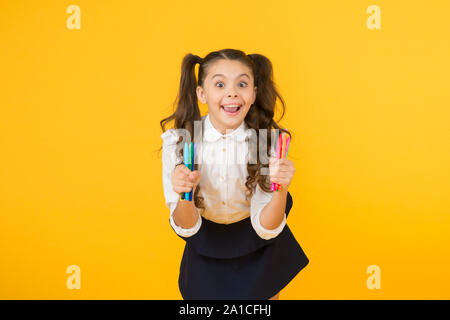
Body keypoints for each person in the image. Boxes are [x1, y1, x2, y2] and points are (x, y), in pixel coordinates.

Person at [160, 48, 309, 300]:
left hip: (259, 245)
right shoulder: (178, 143)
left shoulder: (268, 142)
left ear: (253, 94)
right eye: (220, 84)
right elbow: (186, 228)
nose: (232, 92)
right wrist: (186, 194)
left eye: (242, 83)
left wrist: (280, 188)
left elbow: (266, 228)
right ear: (202, 94)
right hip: (206, 242)